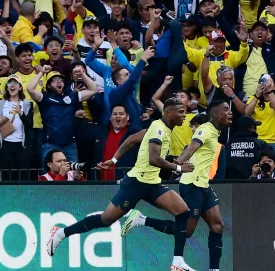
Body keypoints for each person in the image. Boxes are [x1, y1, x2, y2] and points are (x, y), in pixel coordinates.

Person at [49, 98, 196, 271]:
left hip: (152, 183)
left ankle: (177, 263)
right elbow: (153, 159)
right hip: (136, 183)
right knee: (106, 219)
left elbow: (132, 139)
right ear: (169, 112)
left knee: (183, 212)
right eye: (180, 111)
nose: (184, 115)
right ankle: (60, 233)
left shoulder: (160, 126)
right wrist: (179, 167)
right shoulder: (158, 128)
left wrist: (113, 159)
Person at [118, 100, 233, 271]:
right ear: (216, 114)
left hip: (203, 184)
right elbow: (192, 146)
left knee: (217, 225)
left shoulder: (215, 131)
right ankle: (141, 220)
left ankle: (214, 269)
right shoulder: (205, 129)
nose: (230, 112)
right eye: (226, 110)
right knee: (186, 231)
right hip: (192, 184)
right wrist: (179, 163)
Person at [0, 74, 33, 181]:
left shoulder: (27, 104)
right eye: (10, 83)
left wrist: (21, 113)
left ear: (20, 87)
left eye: (15, 83)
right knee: (7, 177)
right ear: (7, 87)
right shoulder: (0, 103)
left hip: (22, 145)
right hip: (5, 144)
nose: (12, 85)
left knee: (22, 177)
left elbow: (29, 124)